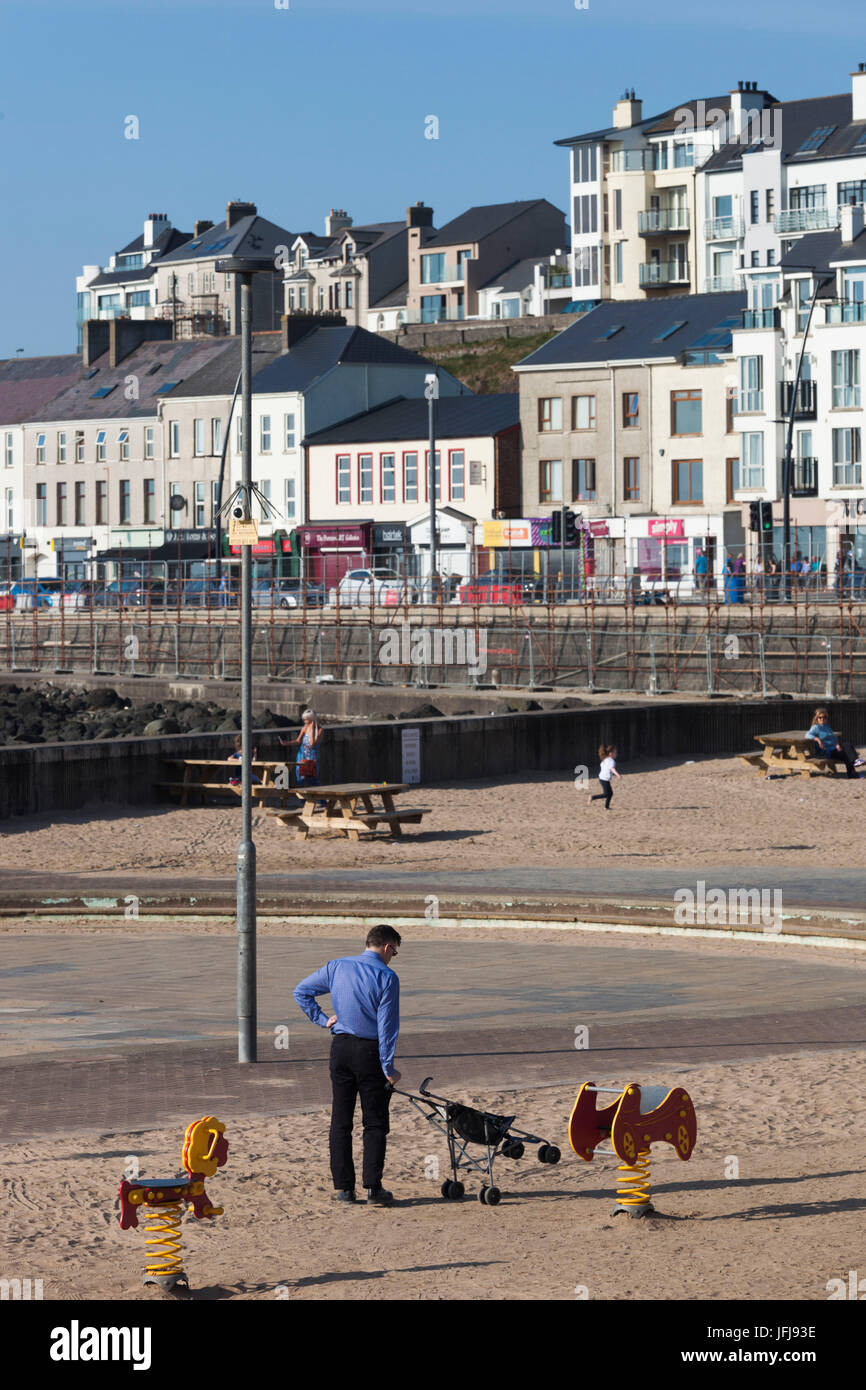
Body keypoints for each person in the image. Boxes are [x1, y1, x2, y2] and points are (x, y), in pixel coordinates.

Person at [293, 924, 402, 1206]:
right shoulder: (387, 977)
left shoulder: (336, 966)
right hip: (369, 1052)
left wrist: (321, 1018)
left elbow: (301, 991)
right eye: (395, 952)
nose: (393, 958)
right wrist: (388, 1068)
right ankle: (373, 1187)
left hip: (340, 1048)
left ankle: (344, 1189)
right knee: (375, 1122)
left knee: (340, 1120)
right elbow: (387, 1028)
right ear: (388, 948)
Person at [806, 707, 864, 779]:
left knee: (847, 748)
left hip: (835, 749)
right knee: (847, 751)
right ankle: (856, 764)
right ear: (816, 718)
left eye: (824, 717)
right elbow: (807, 735)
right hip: (827, 752)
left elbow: (834, 738)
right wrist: (818, 739)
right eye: (820, 717)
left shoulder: (827, 727)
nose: (822, 719)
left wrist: (837, 745)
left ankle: (853, 773)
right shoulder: (816, 727)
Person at [281, 708, 324, 787]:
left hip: (312, 757)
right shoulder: (304, 728)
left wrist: (313, 729)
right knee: (301, 778)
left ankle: (319, 798)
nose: (304, 721)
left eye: (306, 720)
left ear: (311, 719)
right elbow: (298, 741)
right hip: (302, 755)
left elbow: (312, 743)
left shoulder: (319, 730)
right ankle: (302, 798)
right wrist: (286, 743)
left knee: (312, 778)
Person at [590, 743, 621, 810]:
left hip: (602, 778)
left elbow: (602, 766)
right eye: (615, 752)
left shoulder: (605, 759)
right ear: (610, 753)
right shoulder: (612, 761)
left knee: (609, 793)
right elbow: (612, 769)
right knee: (607, 794)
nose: (616, 754)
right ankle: (593, 797)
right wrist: (618, 775)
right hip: (604, 779)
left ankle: (606, 807)